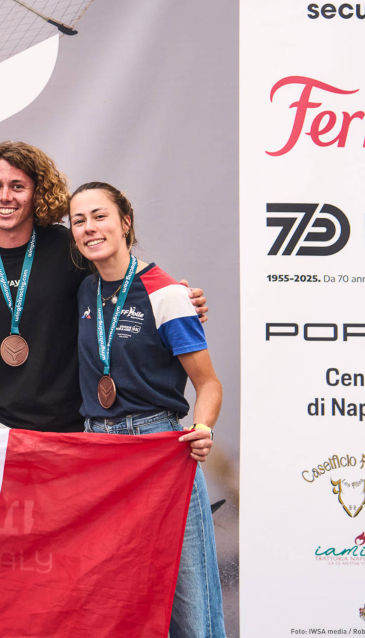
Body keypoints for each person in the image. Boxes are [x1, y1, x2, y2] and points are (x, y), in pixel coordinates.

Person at [0, 141, 207, 431]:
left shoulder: (70, 248)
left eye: (18, 186)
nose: (5, 196)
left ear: (37, 193)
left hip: (75, 424)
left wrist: (177, 299)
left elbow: (124, 282)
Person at [68, 181, 225, 637]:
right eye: (79, 220)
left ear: (125, 221)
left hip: (158, 447)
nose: (90, 228)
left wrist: (202, 427)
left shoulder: (167, 293)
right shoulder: (85, 292)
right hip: (98, 449)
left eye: (100, 216)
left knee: (186, 592)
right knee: (113, 592)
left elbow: (208, 383)